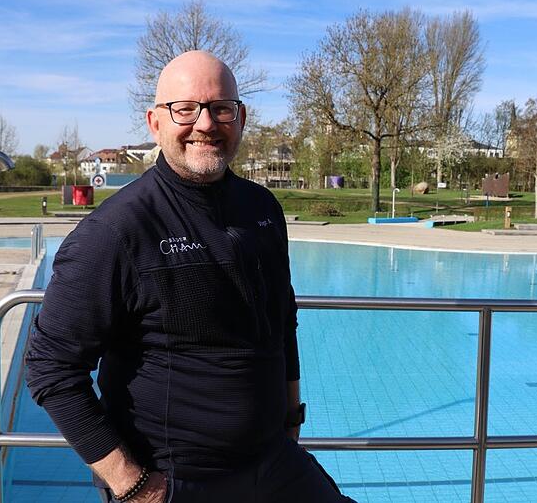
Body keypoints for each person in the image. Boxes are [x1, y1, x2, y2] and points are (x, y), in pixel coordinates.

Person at [26, 51, 353, 502]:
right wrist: (133, 485)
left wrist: (291, 419)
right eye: (186, 108)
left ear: (240, 118)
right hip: (175, 480)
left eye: (221, 108)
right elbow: (50, 367)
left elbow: (283, 322)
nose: (205, 123)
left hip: (274, 463)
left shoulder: (262, 209)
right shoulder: (117, 232)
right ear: (155, 122)